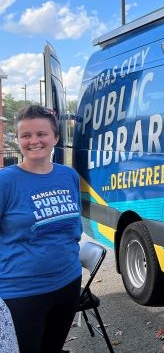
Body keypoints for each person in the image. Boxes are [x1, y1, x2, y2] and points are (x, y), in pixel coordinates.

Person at [0, 105, 82, 353]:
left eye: (41, 134)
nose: (34, 141)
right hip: (20, 292)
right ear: (18, 140)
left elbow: (74, 228)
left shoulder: (69, 176)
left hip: (68, 283)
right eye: (26, 135)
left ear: (55, 138)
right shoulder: (6, 181)